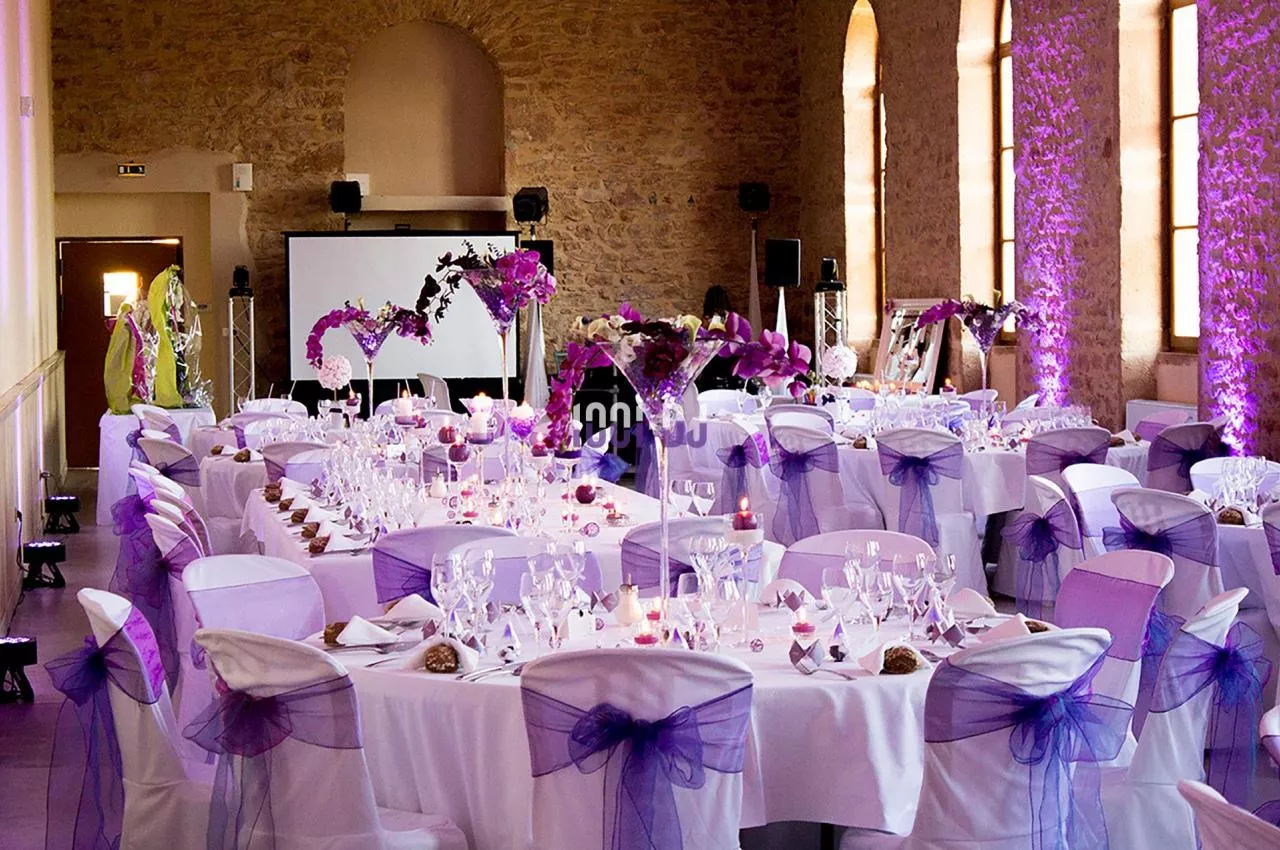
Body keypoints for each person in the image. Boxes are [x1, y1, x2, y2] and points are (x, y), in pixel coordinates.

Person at [697, 285, 741, 391]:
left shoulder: (708, 319)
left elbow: (703, 340)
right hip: (731, 363)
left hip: (712, 364)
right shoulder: (733, 318)